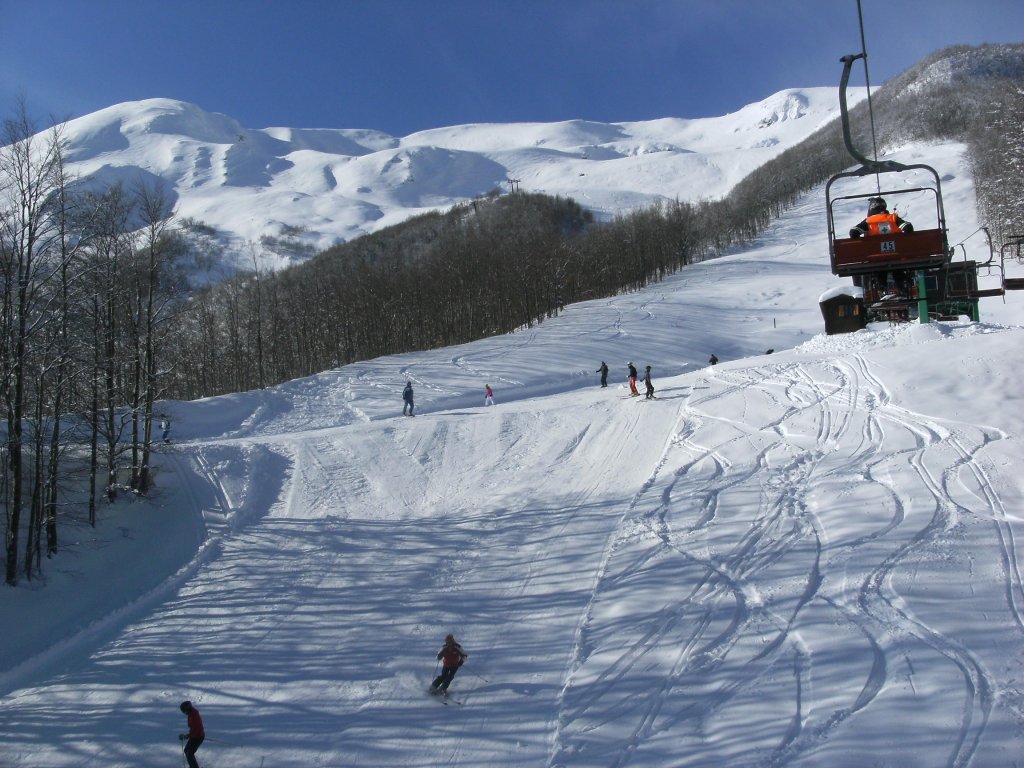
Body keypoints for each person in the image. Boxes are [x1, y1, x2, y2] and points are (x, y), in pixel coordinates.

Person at [849, 196, 913, 238]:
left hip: (873, 252)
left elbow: (853, 232)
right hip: (898, 251)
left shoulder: (868, 221)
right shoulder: (893, 218)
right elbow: (908, 227)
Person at [178, 701, 205, 768]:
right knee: (186, 750)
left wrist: (187, 736)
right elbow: (193, 728)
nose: (184, 713)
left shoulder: (194, 715)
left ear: (187, 709)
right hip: (194, 736)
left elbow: (197, 728)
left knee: (189, 753)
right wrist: (187, 736)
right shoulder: (191, 714)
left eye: (184, 711)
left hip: (198, 737)